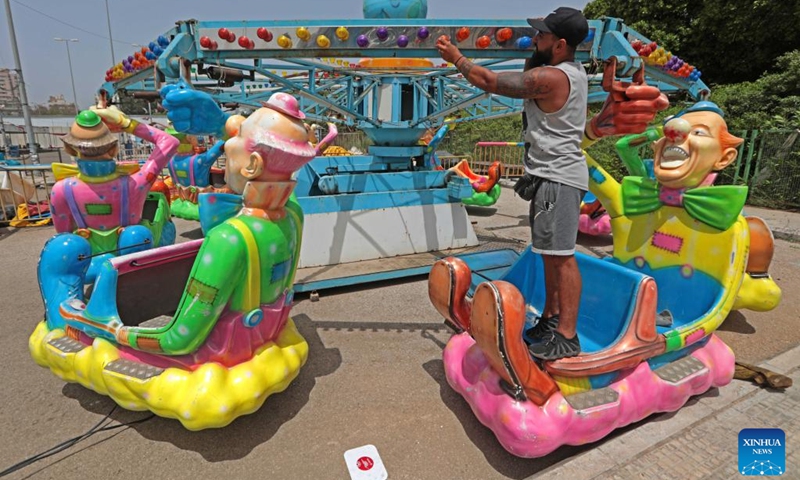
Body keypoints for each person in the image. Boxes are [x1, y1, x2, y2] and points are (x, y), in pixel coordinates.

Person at [436, 7, 667, 360]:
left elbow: (490, 81)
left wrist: (457, 58)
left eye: (542, 36)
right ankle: (550, 319)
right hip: (549, 176)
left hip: (558, 178)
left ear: (559, 45)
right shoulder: (564, 70)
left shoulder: (555, 77)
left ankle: (568, 335)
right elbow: (532, 68)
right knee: (548, 254)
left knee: (562, 259)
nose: (535, 39)